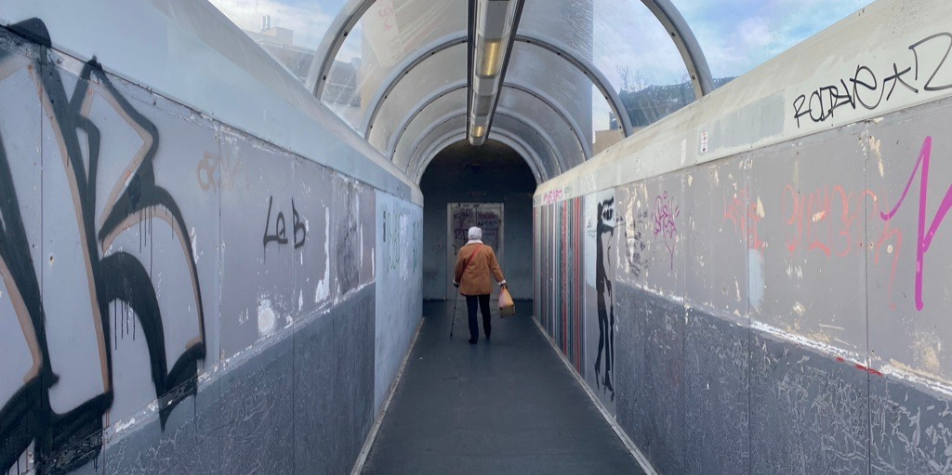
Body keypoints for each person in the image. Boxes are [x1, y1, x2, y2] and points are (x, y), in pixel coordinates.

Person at [453, 226, 507, 344]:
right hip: (484, 285)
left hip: (469, 286)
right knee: (485, 309)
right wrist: (502, 281)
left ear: (469, 236)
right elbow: (495, 267)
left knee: (472, 311)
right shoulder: (488, 250)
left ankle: (474, 336)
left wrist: (456, 281)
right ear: (480, 236)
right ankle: (487, 331)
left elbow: (458, 269)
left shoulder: (463, 250)